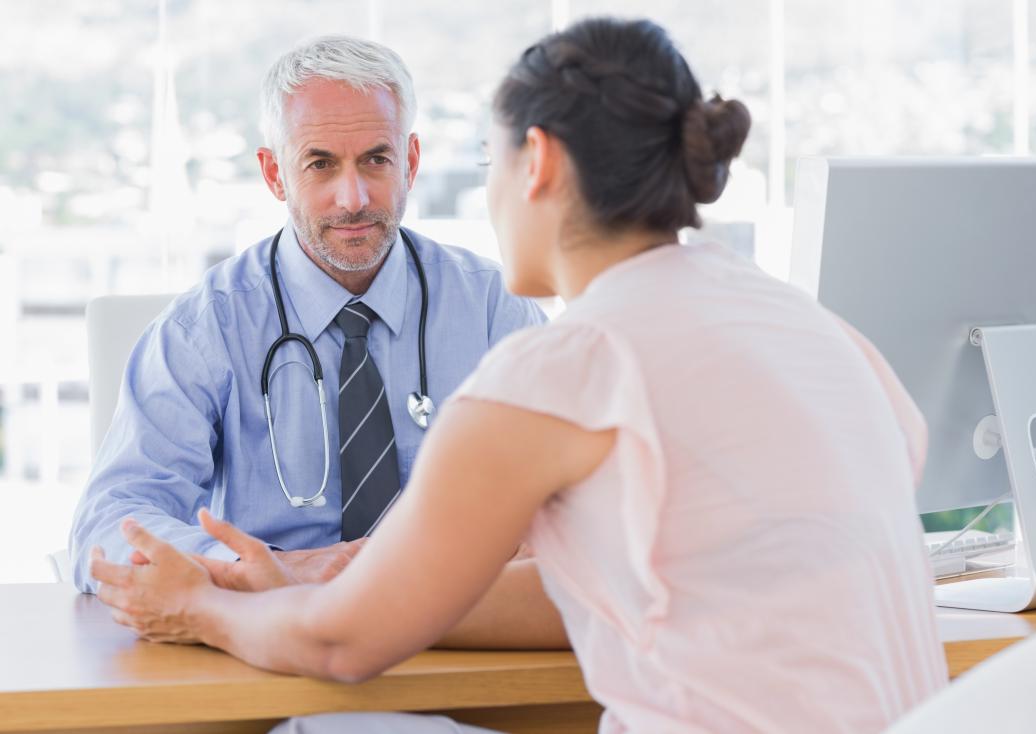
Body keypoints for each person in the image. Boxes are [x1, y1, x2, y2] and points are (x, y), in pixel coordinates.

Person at [91, 17, 948, 733]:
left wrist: (202, 608)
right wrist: (303, 576)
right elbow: (612, 583)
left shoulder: (561, 366)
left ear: (535, 163)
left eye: (490, 163)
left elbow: (339, 645)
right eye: (323, 166)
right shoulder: (811, 324)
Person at [69, 35, 558, 646]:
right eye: (320, 163)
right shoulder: (206, 328)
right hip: (272, 642)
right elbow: (109, 520)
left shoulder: (492, 308)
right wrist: (265, 572)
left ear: (410, 160)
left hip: (460, 634)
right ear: (275, 173)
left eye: (376, 160)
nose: (352, 198)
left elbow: (566, 502)